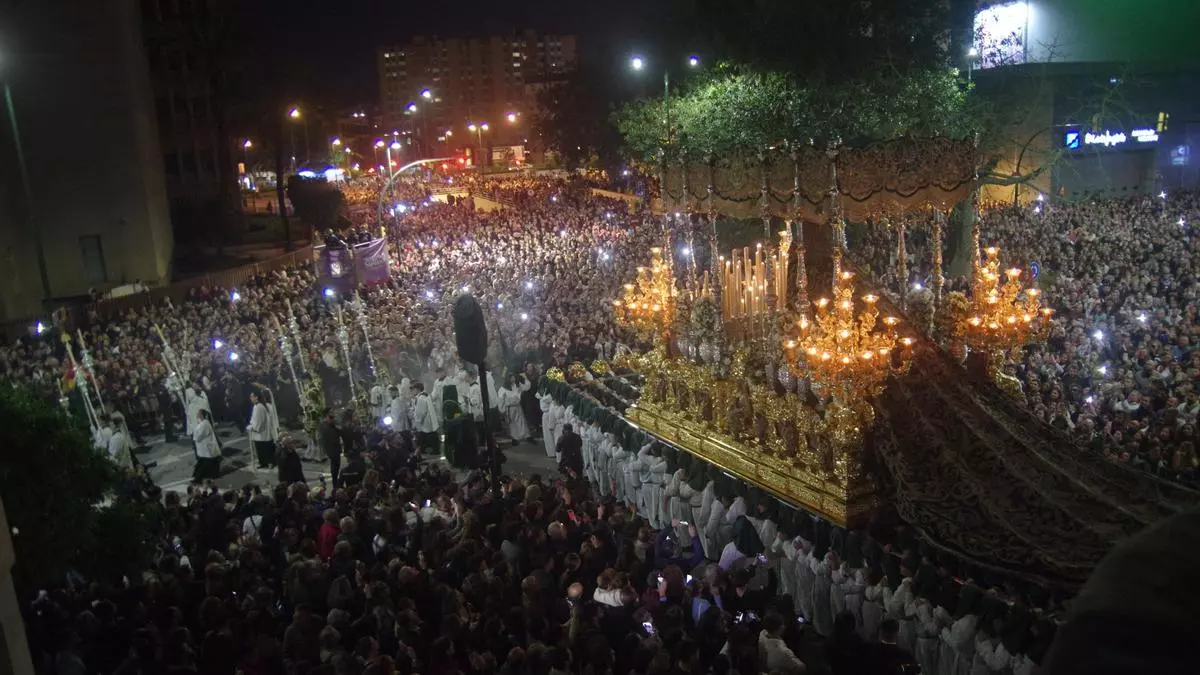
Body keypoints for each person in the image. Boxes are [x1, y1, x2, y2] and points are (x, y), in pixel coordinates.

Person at [247, 391, 275, 469]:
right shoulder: (265, 405)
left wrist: (253, 427)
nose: (250, 398)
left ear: (256, 397)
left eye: (252, 396)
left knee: (262, 450)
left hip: (261, 433)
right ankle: (269, 462)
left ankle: (265, 463)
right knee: (267, 448)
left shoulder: (258, 406)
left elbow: (258, 421)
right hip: (266, 432)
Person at [191, 409, 221, 483]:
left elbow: (198, 436)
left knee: (204, 464)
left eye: (198, 414)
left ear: (201, 415)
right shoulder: (204, 423)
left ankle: (197, 478)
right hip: (206, 449)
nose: (197, 415)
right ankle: (212, 475)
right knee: (209, 462)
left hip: (207, 449)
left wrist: (195, 432)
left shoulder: (204, 424)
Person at [411, 381, 439, 455]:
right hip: (428, 420)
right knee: (429, 435)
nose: (412, 391)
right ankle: (432, 449)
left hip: (425, 421)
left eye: (413, 389)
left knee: (426, 436)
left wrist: (418, 421)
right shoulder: (425, 395)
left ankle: (427, 450)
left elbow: (421, 412)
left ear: (418, 389)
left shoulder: (421, 398)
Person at [317, 408, 342, 486]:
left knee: (337, 465)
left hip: (337, 447)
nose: (333, 413)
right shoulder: (323, 424)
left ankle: (335, 481)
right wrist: (329, 424)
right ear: (327, 414)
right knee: (334, 466)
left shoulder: (333, 422)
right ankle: (335, 483)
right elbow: (323, 436)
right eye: (331, 412)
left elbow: (340, 430)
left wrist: (333, 425)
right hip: (330, 448)